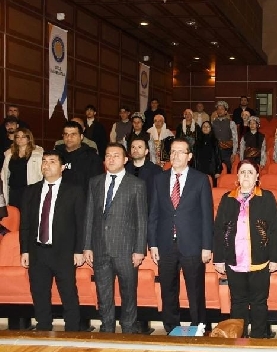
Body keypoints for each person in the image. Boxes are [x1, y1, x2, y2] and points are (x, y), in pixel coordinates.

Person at [148, 138, 214, 333]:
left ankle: (199, 327)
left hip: (192, 244)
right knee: (168, 289)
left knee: (195, 290)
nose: (175, 155)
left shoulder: (200, 179)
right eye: (173, 152)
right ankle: (171, 328)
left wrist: (207, 246)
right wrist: (153, 244)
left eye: (180, 152)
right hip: (165, 244)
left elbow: (207, 215)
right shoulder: (159, 179)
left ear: (189, 156)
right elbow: (153, 214)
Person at [83, 143, 147, 333]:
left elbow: (141, 219)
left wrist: (139, 250)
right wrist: (87, 246)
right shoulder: (94, 182)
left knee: (128, 293)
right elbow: (89, 216)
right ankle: (107, 328)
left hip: (126, 249)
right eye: (108, 155)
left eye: (116, 155)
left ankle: (128, 328)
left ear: (125, 159)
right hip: (99, 248)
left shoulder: (137, 184)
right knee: (103, 293)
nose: (111, 159)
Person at [213, 160, 277, 338]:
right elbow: (219, 230)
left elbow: (274, 230)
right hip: (234, 261)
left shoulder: (267, 197)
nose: (246, 175)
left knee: (259, 303)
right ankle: (239, 338)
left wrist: (275, 258)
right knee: (238, 303)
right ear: (237, 176)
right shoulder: (227, 198)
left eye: (250, 172)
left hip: (260, 260)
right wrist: (218, 258)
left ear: (257, 176)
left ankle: (258, 338)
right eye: (242, 172)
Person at [19, 150, 85, 331]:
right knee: (39, 292)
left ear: (63, 167)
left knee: (68, 293)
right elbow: (25, 224)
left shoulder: (74, 191)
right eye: (44, 161)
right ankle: (43, 327)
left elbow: (81, 223)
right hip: (37, 251)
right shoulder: (31, 191)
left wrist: (79, 250)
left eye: (52, 161)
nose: (46, 165)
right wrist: (24, 250)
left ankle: (72, 330)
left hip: (64, 252)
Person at [54, 121, 103, 190]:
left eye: (73, 134)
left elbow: (96, 186)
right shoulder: (55, 156)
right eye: (66, 134)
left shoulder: (93, 159)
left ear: (81, 137)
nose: (69, 138)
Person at [1, 128, 43, 208]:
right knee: (14, 213)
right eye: (17, 137)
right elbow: (5, 173)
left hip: (28, 190)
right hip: (13, 190)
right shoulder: (9, 154)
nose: (20, 139)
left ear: (29, 139)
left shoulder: (37, 154)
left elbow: (40, 174)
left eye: (23, 137)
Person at [125, 138, 162, 202]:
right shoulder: (125, 169)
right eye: (133, 147)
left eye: (139, 147)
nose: (135, 150)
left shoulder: (156, 170)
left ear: (146, 151)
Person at [211, 101, 238, 174]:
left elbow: (235, 139)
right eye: (218, 109)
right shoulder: (212, 123)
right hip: (216, 151)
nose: (220, 111)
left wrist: (234, 153)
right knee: (216, 171)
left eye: (222, 109)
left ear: (226, 111)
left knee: (228, 171)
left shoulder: (231, 123)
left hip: (227, 151)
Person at [193, 121, 222, 186]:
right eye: (204, 126)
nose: (205, 128)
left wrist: (218, 171)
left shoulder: (215, 141)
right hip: (199, 169)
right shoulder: (197, 141)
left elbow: (218, 156)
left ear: (211, 129)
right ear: (201, 128)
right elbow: (194, 157)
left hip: (211, 169)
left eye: (208, 126)